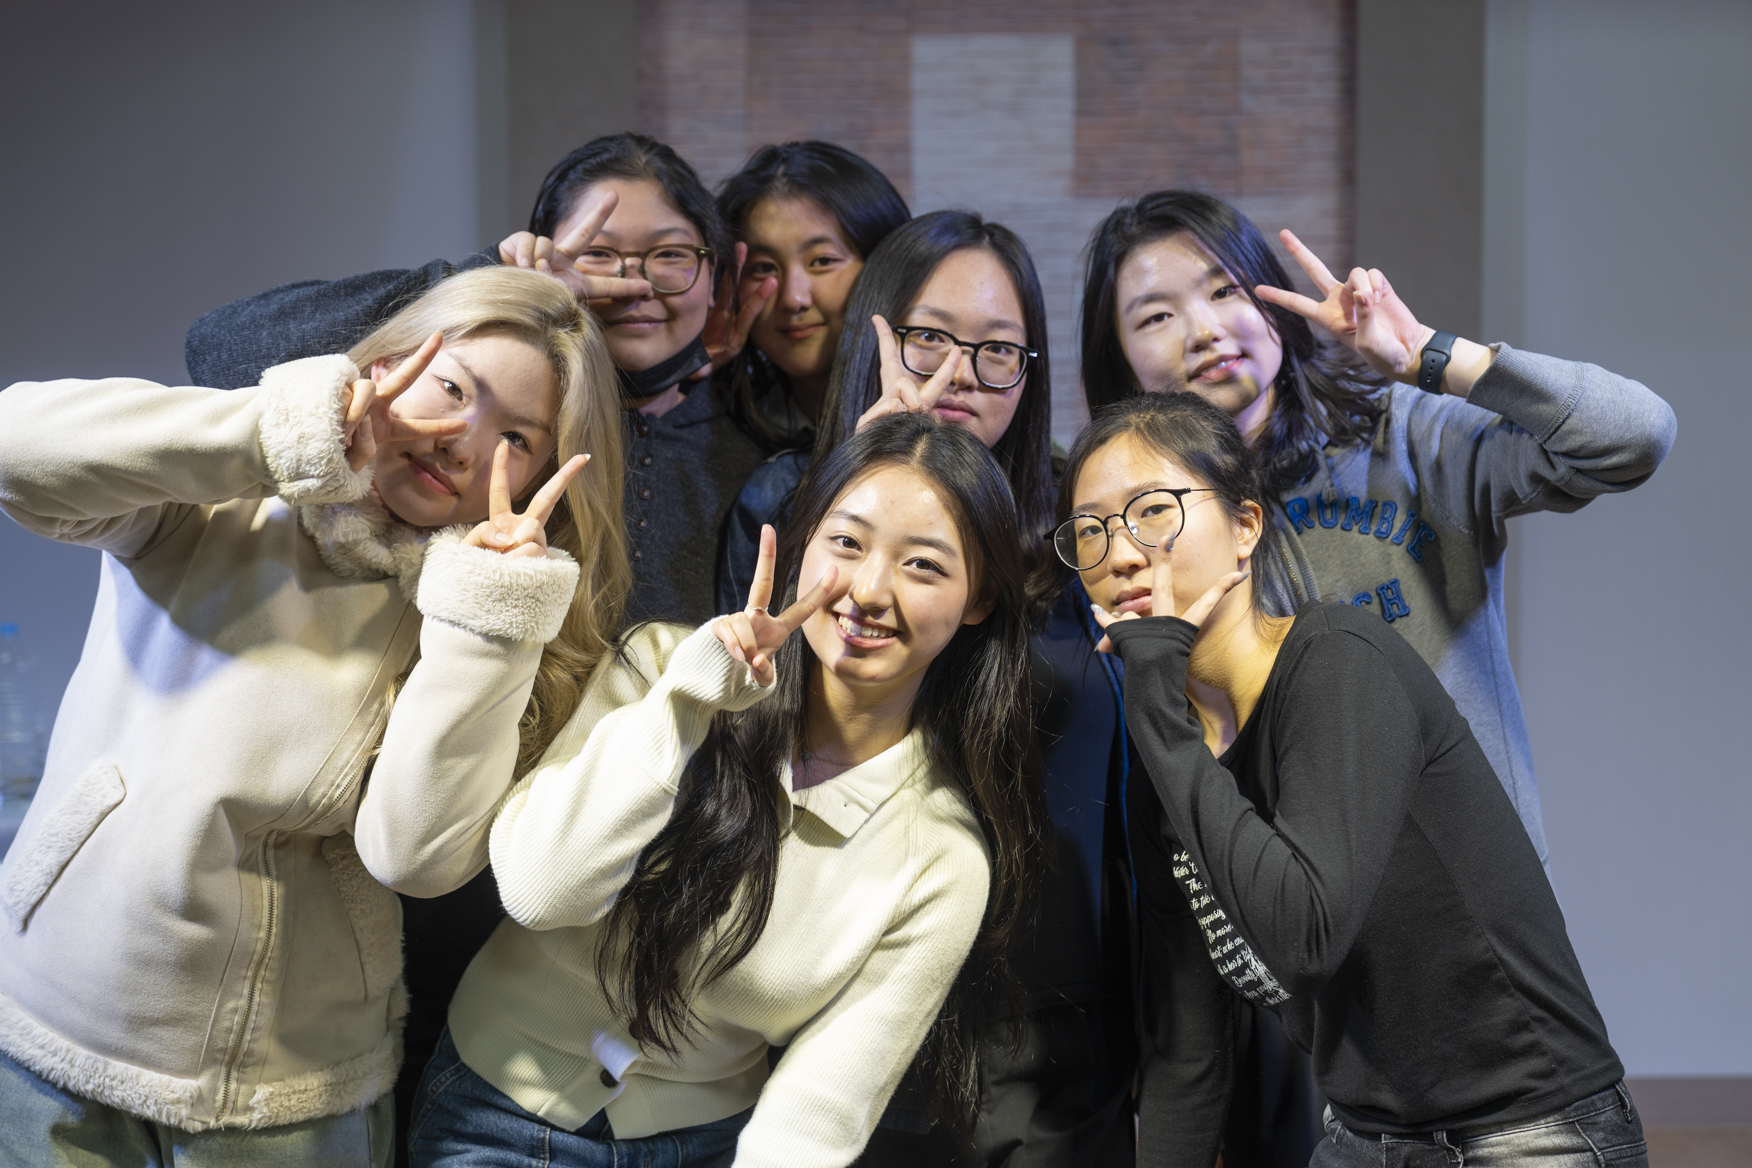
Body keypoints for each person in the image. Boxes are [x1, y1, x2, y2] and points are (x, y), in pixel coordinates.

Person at [0, 266, 625, 1166]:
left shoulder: (482, 616)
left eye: (516, 437)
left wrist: (486, 620)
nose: (462, 441)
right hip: (50, 1017)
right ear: (391, 364)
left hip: (286, 1082)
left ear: (539, 476)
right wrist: (282, 432)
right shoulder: (222, 496)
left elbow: (413, 856)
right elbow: (18, 451)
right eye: (454, 389)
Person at [407, 413, 1048, 1167]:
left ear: (979, 600)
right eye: (847, 543)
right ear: (805, 543)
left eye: (924, 566)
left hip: (707, 1145)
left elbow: (815, 1117)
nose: (870, 590)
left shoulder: (942, 857)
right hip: (498, 1111)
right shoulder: (659, 666)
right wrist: (688, 702)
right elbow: (541, 892)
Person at [1060, 391, 1645, 1168]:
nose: (1121, 554)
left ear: (1245, 527)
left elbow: (1302, 937)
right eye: (1091, 530)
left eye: (1153, 511)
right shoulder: (1167, 759)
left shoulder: (1339, 661)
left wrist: (1158, 707)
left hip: (1527, 1131)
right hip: (1364, 1137)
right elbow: (1189, 1050)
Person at [1080, 190, 1676, 870]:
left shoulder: (1406, 435)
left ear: (1272, 300)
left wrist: (1428, 354)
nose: (1203, 330)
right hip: (1288, 904)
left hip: (1474, 895)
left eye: (1224, 290)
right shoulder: (1131, 535)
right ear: (1120, 360)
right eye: (1156, 316)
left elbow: (1635, 435)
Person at [187, 130, 764, 627]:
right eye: (597, 253)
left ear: (715, 271)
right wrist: (491, 278)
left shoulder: (753, 449)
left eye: (670, 255)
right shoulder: (449, 417)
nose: (634, 285)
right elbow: (218, 351)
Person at [714, 139, 912, 452]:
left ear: (884, 262)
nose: (794, 299)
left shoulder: (941, 416)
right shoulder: (719, 436)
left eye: (822, 261)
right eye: (764, 267)